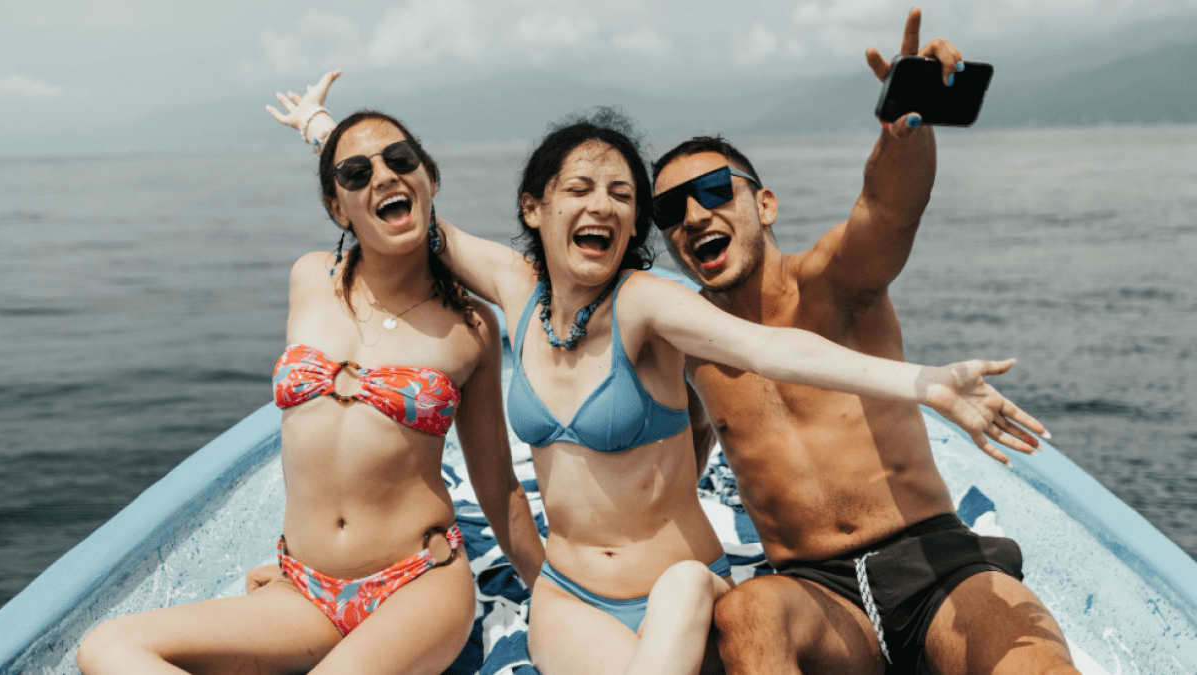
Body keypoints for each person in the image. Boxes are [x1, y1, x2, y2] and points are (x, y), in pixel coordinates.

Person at [273, 68, 1046, 675]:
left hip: (679, 587)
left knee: (681, 590)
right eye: (579, 188)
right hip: (570, 594)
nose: (603, 205)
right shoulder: (513, 288)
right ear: (535, 207)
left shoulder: (646, 303)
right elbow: (399, 200)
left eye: (620, 195)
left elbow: (767, 347)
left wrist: (923, 381)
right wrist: (320, 130)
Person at [649, 9, 1081, 675]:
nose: (694, 215)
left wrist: (904, 129)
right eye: (669, 211)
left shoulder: (832, 282)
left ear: (764, 204)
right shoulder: (688, 343)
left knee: (1032, 661)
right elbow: (684, 446)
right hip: (817, 595)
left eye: (712, 191)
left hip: (933, 566)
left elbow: (888, 208)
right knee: (746, 614)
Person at [76, 109, 545, 675]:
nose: (385, 177)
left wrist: (550, 590)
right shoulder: (310, 279)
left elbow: (497, 483)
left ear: (430, 181)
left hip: (418, 586)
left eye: (402, 162)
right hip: (302, 588)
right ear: (335, 206)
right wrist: (323, 135)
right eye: (356, 174)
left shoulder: (469, 327)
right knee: (107, 648)